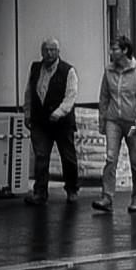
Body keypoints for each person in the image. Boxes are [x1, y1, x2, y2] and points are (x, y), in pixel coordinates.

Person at [93, 36, 136, 215]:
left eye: (114, 49)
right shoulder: (109, 70)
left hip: (132, 121)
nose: (111, 52)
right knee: (110, 158)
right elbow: (104, 98)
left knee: (135, 160)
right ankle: (107, 197)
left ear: (125, 50)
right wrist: (102, 120)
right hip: (113, 120)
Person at [23, 38, 80, 207]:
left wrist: (59, 112)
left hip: (62, 122)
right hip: (40, 121)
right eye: (46, 50)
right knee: (41, 157)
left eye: (52, 50)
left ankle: (71, 189)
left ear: (58, 52)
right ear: (41, 52)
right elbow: (29, 92)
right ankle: (39, 193)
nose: (49, 53)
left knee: (67, 156)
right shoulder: (35, 69)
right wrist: (27, 112)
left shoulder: (68, 71)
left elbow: (71, 95)